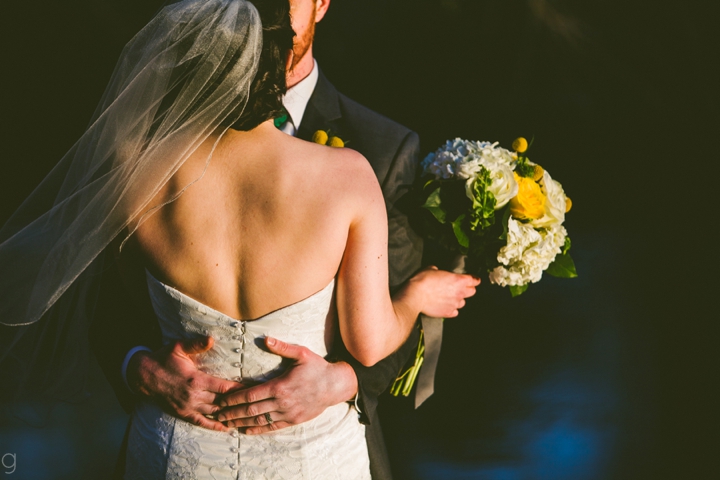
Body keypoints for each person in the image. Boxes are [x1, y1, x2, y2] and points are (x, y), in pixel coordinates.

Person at [0, 0, 478, 478]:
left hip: (176, 454)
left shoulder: (136, 169)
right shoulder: (349, 176)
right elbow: (370, 344)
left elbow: (134, 294)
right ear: (280, 58)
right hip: (309, 460)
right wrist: (413, 298)